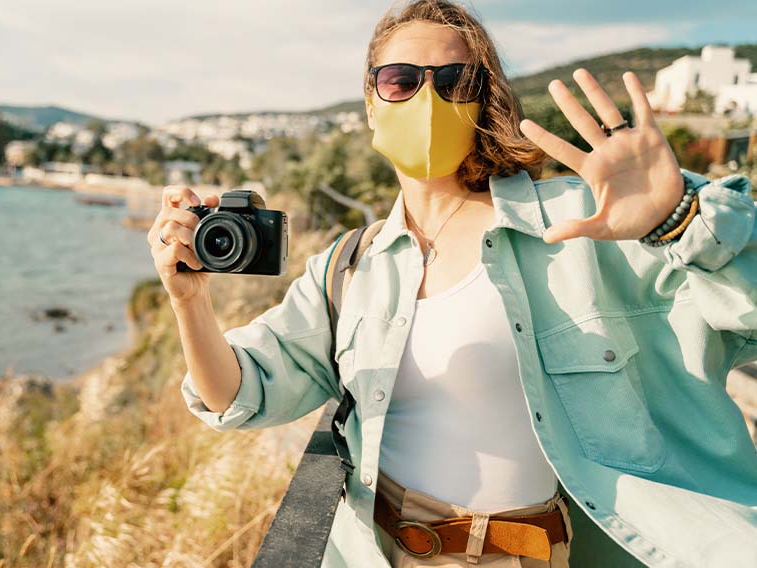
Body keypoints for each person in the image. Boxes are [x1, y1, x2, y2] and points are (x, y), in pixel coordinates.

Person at [146, 1, 757, 566]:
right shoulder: (348, 268)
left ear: (482, 99)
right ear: (370, 103)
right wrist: (189, 302)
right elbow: (238, 395)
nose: (426, 100)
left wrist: (677, 221)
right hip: (381, 548)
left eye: (454, 83)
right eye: (400, 80)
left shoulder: (587, 221)